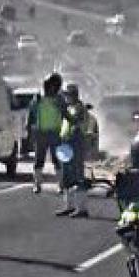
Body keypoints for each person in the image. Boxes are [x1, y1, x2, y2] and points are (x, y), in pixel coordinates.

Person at [26, 72, 65, 194]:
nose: (51, 88)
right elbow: (31, 113)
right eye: (50, 85)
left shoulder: (59, 99)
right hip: (41, 132)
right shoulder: (39, 98)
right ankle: (37, 184)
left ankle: (60, 185)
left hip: (55, 132)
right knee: (39, 159)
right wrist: (29, 128)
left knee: (57, 159)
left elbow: (65, 113)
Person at [55, 84, 89, 218]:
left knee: (78, 176)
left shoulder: (80, 109)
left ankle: (82, 208)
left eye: (67, 95)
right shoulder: (70, 108)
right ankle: (69, 206)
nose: (65, 98)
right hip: (66, 144)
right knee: (66, 176)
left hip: (76, 144)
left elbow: (76, 123)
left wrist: (65, 113)